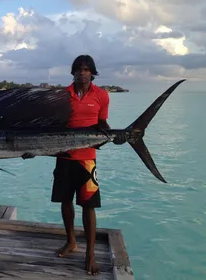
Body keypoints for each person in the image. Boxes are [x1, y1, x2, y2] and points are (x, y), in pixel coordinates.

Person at [50, 55, 125, 275]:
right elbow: (56, 124)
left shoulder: (102, 95)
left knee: (89, 206)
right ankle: (71, 241)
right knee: (65, 202)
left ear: (92, 72)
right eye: (79, 69)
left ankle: (90, 253)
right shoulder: (63, 95)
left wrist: (114, 136)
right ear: (72, 72)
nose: (82, 73)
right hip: (63, 157)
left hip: (87, 160)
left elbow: (102, 123)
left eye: (86, 69)